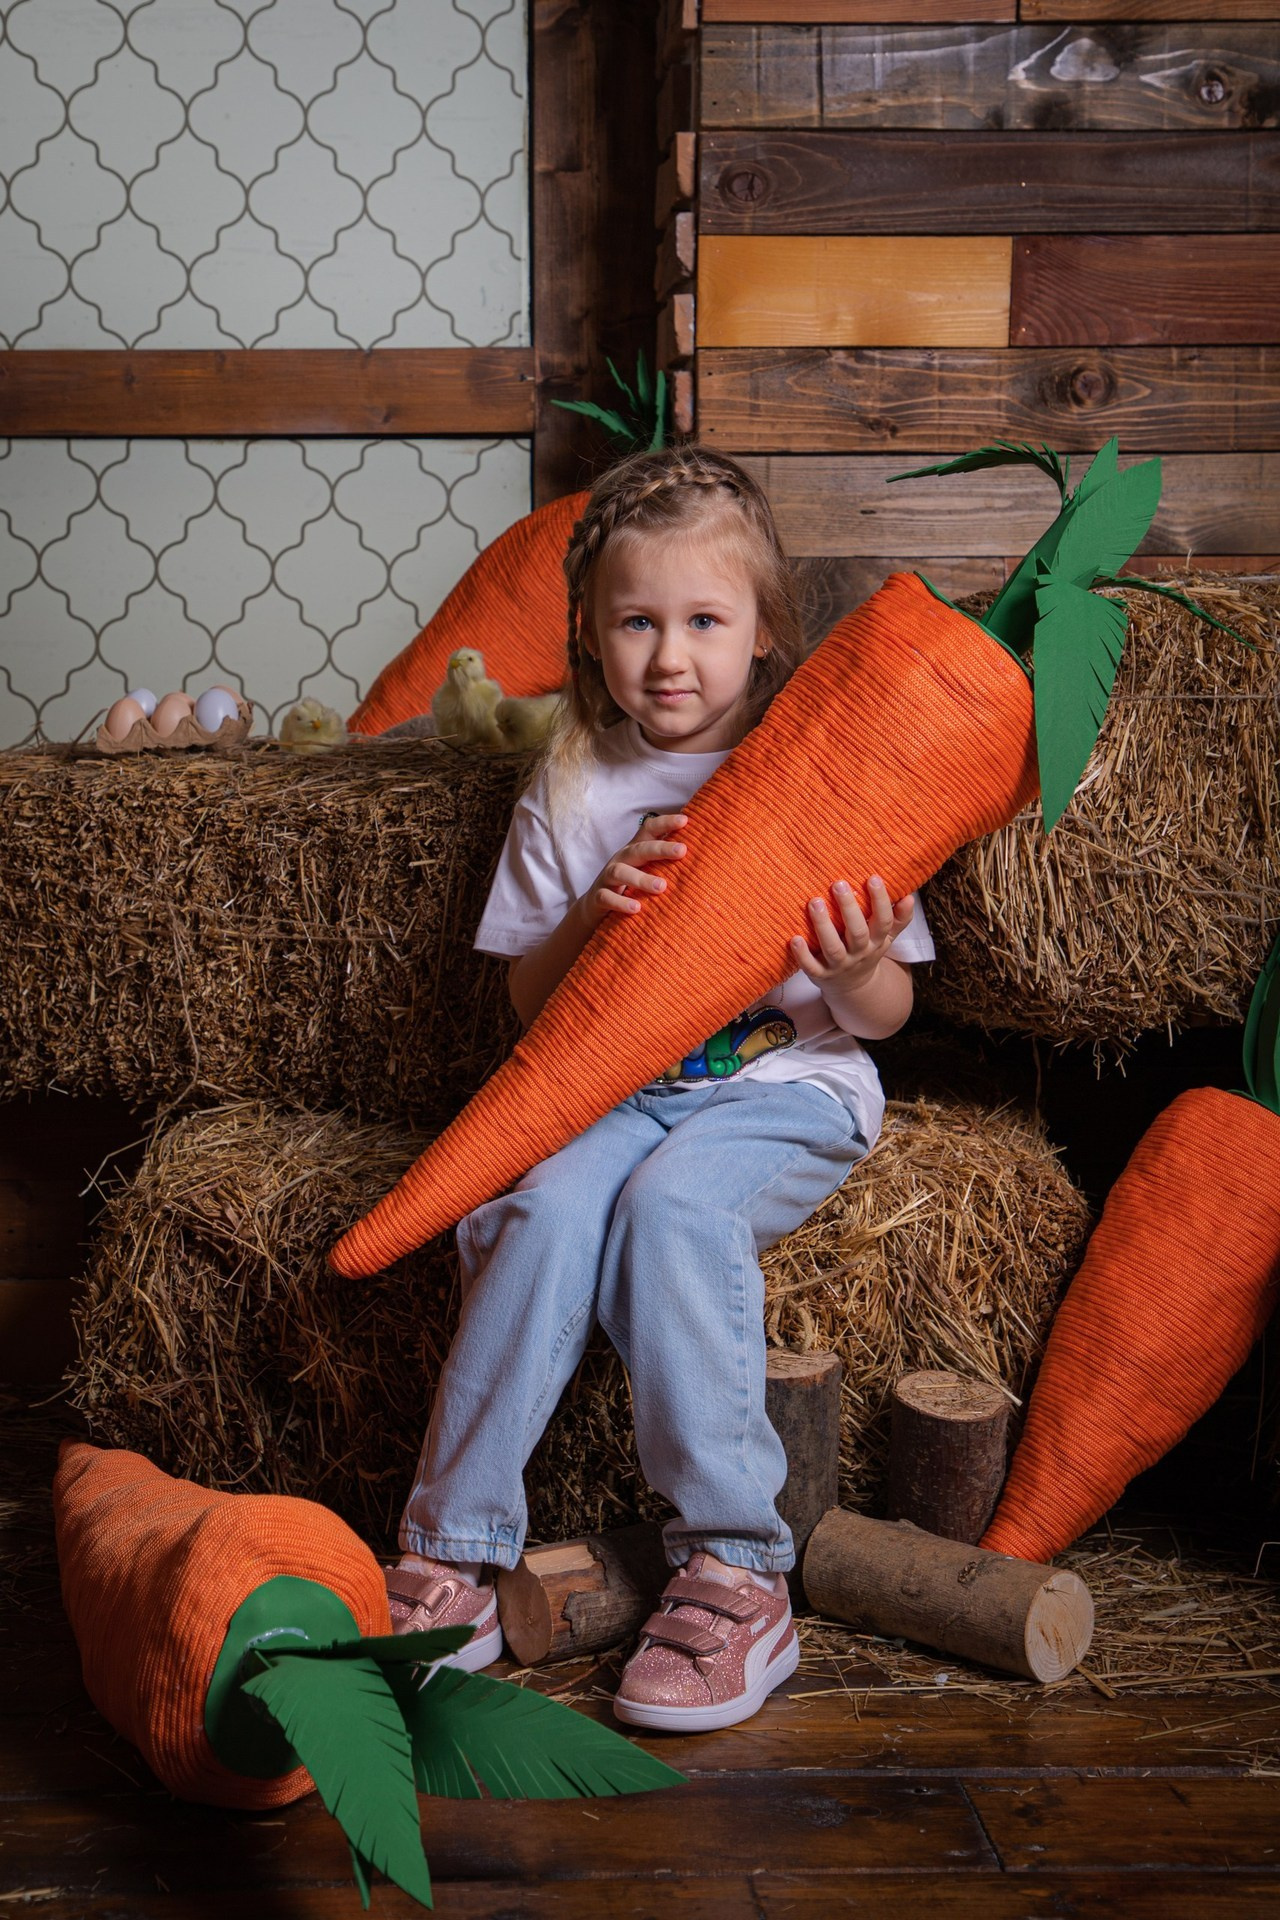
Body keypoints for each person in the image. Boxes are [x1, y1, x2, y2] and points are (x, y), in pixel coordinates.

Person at [383, 446, 934, 1732]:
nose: (668, 655)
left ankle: (738, 1569)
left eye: (702, 621)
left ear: (763, 634)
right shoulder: (575, 785)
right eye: (636, 622)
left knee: (673, 1211)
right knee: (544, 1211)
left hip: (779, 1085)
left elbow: (886, 1014)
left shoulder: (819, 773)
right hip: (612, 1091)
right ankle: (453, 1552)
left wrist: (853, 967)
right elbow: (528, 1009)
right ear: (588, 634)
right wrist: (591, 914)